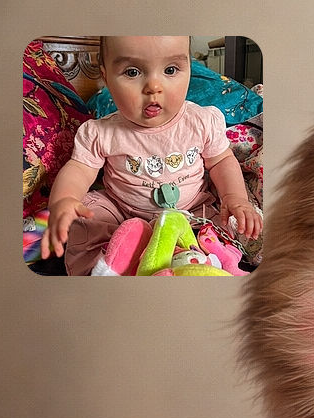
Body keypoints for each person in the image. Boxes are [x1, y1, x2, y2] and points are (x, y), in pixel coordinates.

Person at [42, 36, 262, 274]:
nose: (153, 87)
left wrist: (235, 197)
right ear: (106, 78)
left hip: (191, 211)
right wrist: (64, 200)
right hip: (121, 213)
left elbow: (221, 160)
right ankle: (112, 262)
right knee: (87, 219)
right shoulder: (99, 131)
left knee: (221, 227)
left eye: (170, 70)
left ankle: (187, 257)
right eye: (133, 72)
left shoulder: (201, 121)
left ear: (189, 69)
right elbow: (79, 169)